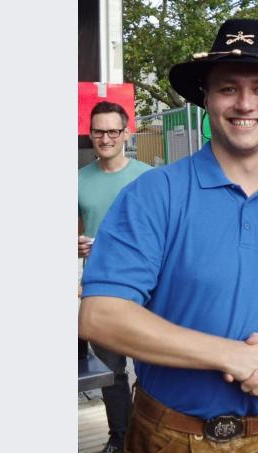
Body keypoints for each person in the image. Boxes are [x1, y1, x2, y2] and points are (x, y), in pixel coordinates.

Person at [78, 18, 258, 453]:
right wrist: (230, 354)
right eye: (228, 88)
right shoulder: (155, 194)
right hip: (169, 435)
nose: (245, 103)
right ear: (207, 99)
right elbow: (100, 315)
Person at [78, 100, 152, 452]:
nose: (105, 138)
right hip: (99, 293)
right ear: (89, 133)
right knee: (111, 374)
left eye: (112, 131)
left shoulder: (148, 178)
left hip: (146, 293)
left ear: (126, 133)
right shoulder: (77, 181)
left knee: (153, 368)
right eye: (98, 131)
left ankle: (150, 433)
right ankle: (120, 436)